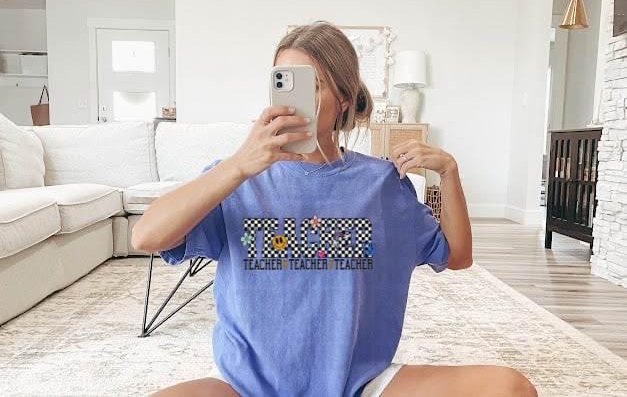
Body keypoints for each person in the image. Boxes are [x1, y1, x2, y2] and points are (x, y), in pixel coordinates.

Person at [132, 21, 537, 397]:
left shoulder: (381, 185)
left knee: (510, 389)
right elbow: (146, 237)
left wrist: (449, 172)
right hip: (246, 387)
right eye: (283, 84)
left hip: (359, 385)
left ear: (344, 97)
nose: (294, 103)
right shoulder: (236, 178)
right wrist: (238, 166)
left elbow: (458, 256)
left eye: (312, 86)